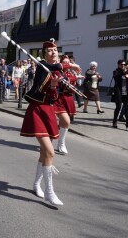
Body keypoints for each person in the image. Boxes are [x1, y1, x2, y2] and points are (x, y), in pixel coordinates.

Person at [21, 40, 78, 207]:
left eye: (55, 50)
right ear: (44, 53)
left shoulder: (57, 73)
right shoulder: (42, 66)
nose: (54, 52)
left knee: (44, 153)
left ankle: (36, 184)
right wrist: (68, 67)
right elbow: (51, 69)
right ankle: (49, 192)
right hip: (37, 110)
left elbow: (53, 97)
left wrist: (54, 86)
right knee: (50, 152)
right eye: (50, 50)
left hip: (49, 111)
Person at [54, 55, 82, 155]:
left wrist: (76, 78)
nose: (67, 64)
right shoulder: (58, 72)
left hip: (69, 98)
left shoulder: (70, 73)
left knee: (64, 122)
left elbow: (74, 85)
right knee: (66, 121)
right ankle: (60, 142)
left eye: (68, 62)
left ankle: (60, 143)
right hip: (60, 98)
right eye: (64, 62)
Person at [112, 59, 128, 131]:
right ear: (118, 65)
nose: (123, 66)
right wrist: (124, 72)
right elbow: (117, 78)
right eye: (121, 64)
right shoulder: (116, 71)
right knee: (118, 107)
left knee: (127, 107)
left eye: (124, 64)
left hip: (126, 91)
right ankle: (115, 121)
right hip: (119, 91)